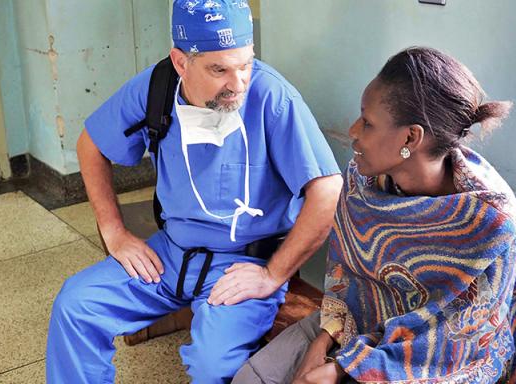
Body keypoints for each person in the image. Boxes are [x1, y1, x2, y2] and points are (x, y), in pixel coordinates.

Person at [44, 1, 343, 382]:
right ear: (181, 62)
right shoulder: (157, 87)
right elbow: (91, 144)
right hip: (170, 254)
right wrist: (114, 232)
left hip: (242, 263)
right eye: (219, 70)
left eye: (245, 65)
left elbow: (328, 190)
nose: (238, 84)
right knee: (76, 305)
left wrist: (272, 274)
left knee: (212, 364)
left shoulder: (271, 96)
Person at [233, 47, 516, 384]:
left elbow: (453, 342)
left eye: (368, 123)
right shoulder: (361, 181)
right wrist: (323, 341)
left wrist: (344, 368)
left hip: (437, 362)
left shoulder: (489, 222)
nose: (353, 130)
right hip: (355, 324)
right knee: (250, 379)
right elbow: (346, 281)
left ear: (411, 137)